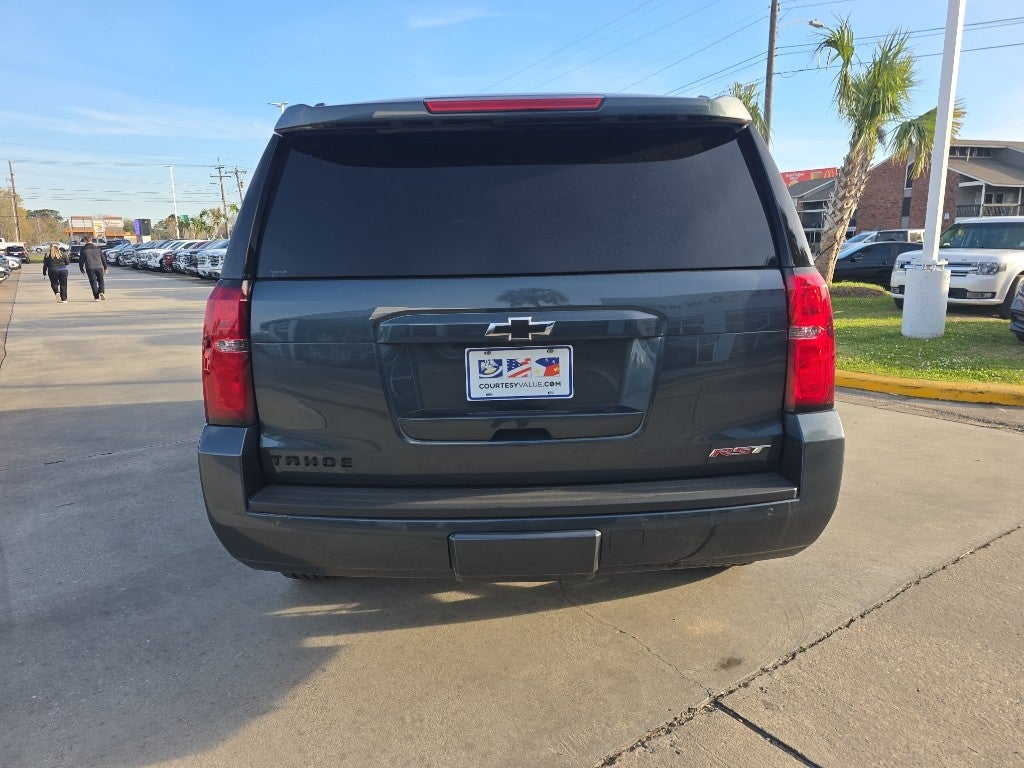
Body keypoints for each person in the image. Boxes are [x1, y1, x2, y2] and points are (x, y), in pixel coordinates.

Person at [79, 235, 108, 301]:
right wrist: (105, 267)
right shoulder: (97, 248)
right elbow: (103, 258)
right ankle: (101, 291)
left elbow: (81, 260)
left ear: (85, 241)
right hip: (99, 267)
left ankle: (96, 297)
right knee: (101, 280)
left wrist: (81, 268)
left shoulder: (83, 249)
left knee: (93, 282)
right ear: (91, 240)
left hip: (90, 268)